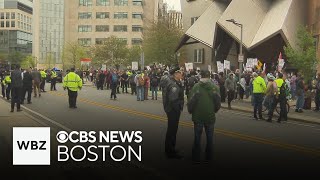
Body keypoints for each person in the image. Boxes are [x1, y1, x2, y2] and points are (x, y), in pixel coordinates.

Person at [188, 71, 221, 163]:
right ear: (209, 76)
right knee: (210, 138)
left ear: (200, 76)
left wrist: (190, 110)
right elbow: (218, 103)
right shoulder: (215, 87)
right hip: (210, 116)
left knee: (197, 137)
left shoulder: (196, 87)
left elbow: (191, 102)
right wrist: (214, 110)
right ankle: (209, 156)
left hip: (198, 116)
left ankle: (196, 156)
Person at [163, 67, 184, 159]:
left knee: (173, 129)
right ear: (175, 74)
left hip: (172, 109)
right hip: (173, 110)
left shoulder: (176, 82)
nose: (181, 74)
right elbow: (173, 99)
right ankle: (170, 150)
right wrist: (179, 107)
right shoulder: (173, 85)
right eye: (179, 73)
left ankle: (171, 148)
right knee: (172, 129)